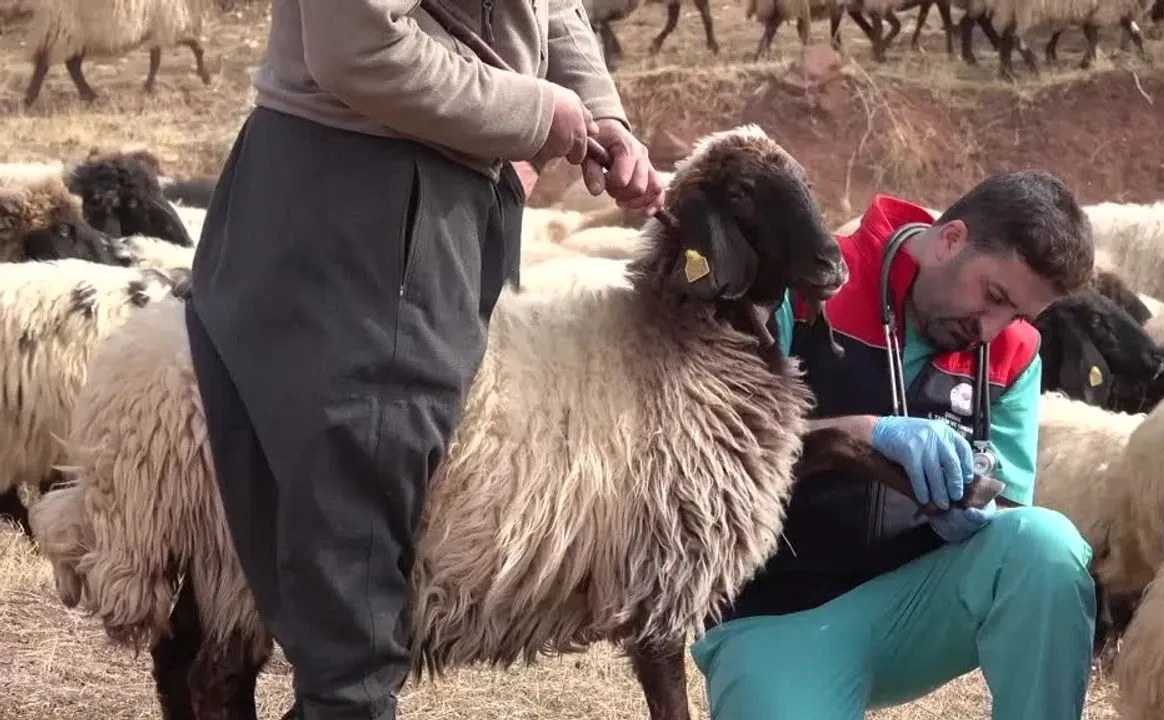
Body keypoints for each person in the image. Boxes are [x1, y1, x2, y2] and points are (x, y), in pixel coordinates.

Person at [182, 2, 664, 718]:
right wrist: (535, 114)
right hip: (362, 219)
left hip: (402, 213)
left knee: (344, 612)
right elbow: (358, 48)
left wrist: (601, 112)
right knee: (349, 628)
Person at [692, 171, 1098, 720]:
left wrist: (976, 507)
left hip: (914, 609)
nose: (992, 329)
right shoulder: (802, 286)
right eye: (993, 296)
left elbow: (1010, 511)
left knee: (1045, 545)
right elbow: (708, 449)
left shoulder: (1015, 353)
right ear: (949, 240)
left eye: (1017, 315)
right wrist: (860, 434)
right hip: (772, 613)